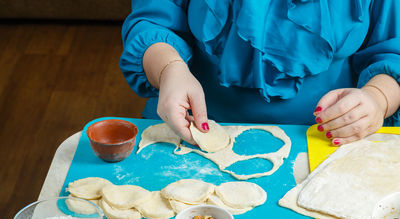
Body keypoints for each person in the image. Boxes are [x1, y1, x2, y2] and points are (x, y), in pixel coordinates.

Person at [120, 0, 400, 146]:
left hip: (328, 140)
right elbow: (152, 21)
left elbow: (392, 50)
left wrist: (377, 98)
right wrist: (170, 69)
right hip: (190, 131)